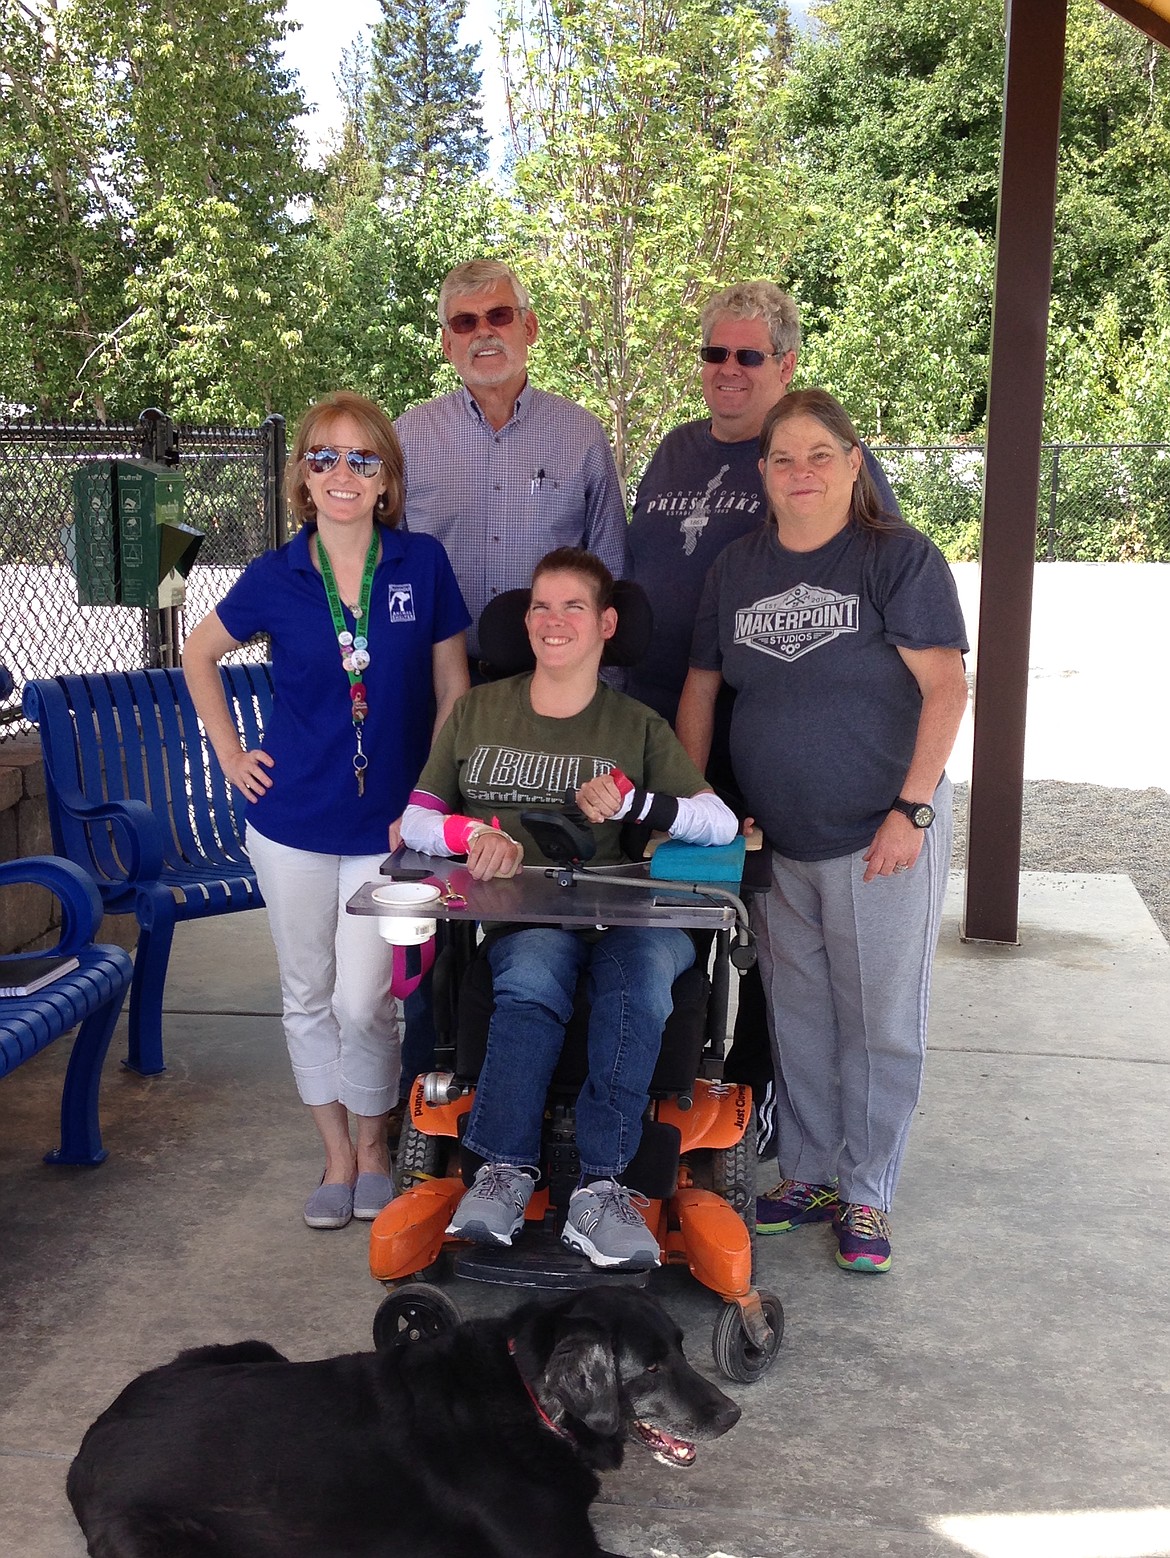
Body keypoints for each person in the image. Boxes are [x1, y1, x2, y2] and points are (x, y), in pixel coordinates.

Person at [677, 389, 969, 1274]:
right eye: (783, 459)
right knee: (800, 1013)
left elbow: (949, 688)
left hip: (883, 833)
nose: (800, 473)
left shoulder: (897, 558)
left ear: (853, 463)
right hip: (780, 840)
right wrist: (704, 805)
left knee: (879, 1019)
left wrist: (911, 809)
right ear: (762, 474)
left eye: (818, 455)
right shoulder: (736, 568)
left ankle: (869, 1192)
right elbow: (700, 690)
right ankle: (808, 1172)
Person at [400, 547, 739, 1272]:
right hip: (532, 916)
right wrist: (472, 833)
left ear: (607, 623)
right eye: (540, 607)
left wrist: (638, 803)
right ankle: (501, 1169)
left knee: (638, 979)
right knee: (530, 975)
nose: (553, 622)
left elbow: (719, 825)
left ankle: (602, 1188)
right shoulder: (479, 709)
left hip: (632, 918)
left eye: (573, 607)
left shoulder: (637, 725)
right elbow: (419, 819)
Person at [183, 391, 471, 1231]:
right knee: (307, 992)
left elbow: (453, 690)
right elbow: (200, 655)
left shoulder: (422, 563)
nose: (340, 473)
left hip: (388, 829)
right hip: (290, 822)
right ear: (302, 478)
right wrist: (232, 756)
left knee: (365, 1002)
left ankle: (376, 1148)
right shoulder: (277, 576)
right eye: (322, 457)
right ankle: (337, 1154)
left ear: (387, 480)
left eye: (361, 459)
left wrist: (425, 796)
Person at [628, 281, 904, 1155]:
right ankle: (668, 1098)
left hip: (775, 747)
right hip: (670, 736)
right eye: (716, 354)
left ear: (786, 364)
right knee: (675, 924)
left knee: (774, 951)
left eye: (750, 355)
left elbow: (882, 587)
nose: (730, 370)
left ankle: (756, 1111)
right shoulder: (672, 453)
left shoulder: (824, 461)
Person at [395, 259, 629, 675]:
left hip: (552, 678)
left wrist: (603, 690)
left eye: (499, 316)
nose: (483, 332)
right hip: (434, 679)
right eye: (464, 322)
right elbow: (382, 566)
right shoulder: (407, 438)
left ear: (530, 328)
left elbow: (610, 570)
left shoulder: (581, 435)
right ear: (448, 344)